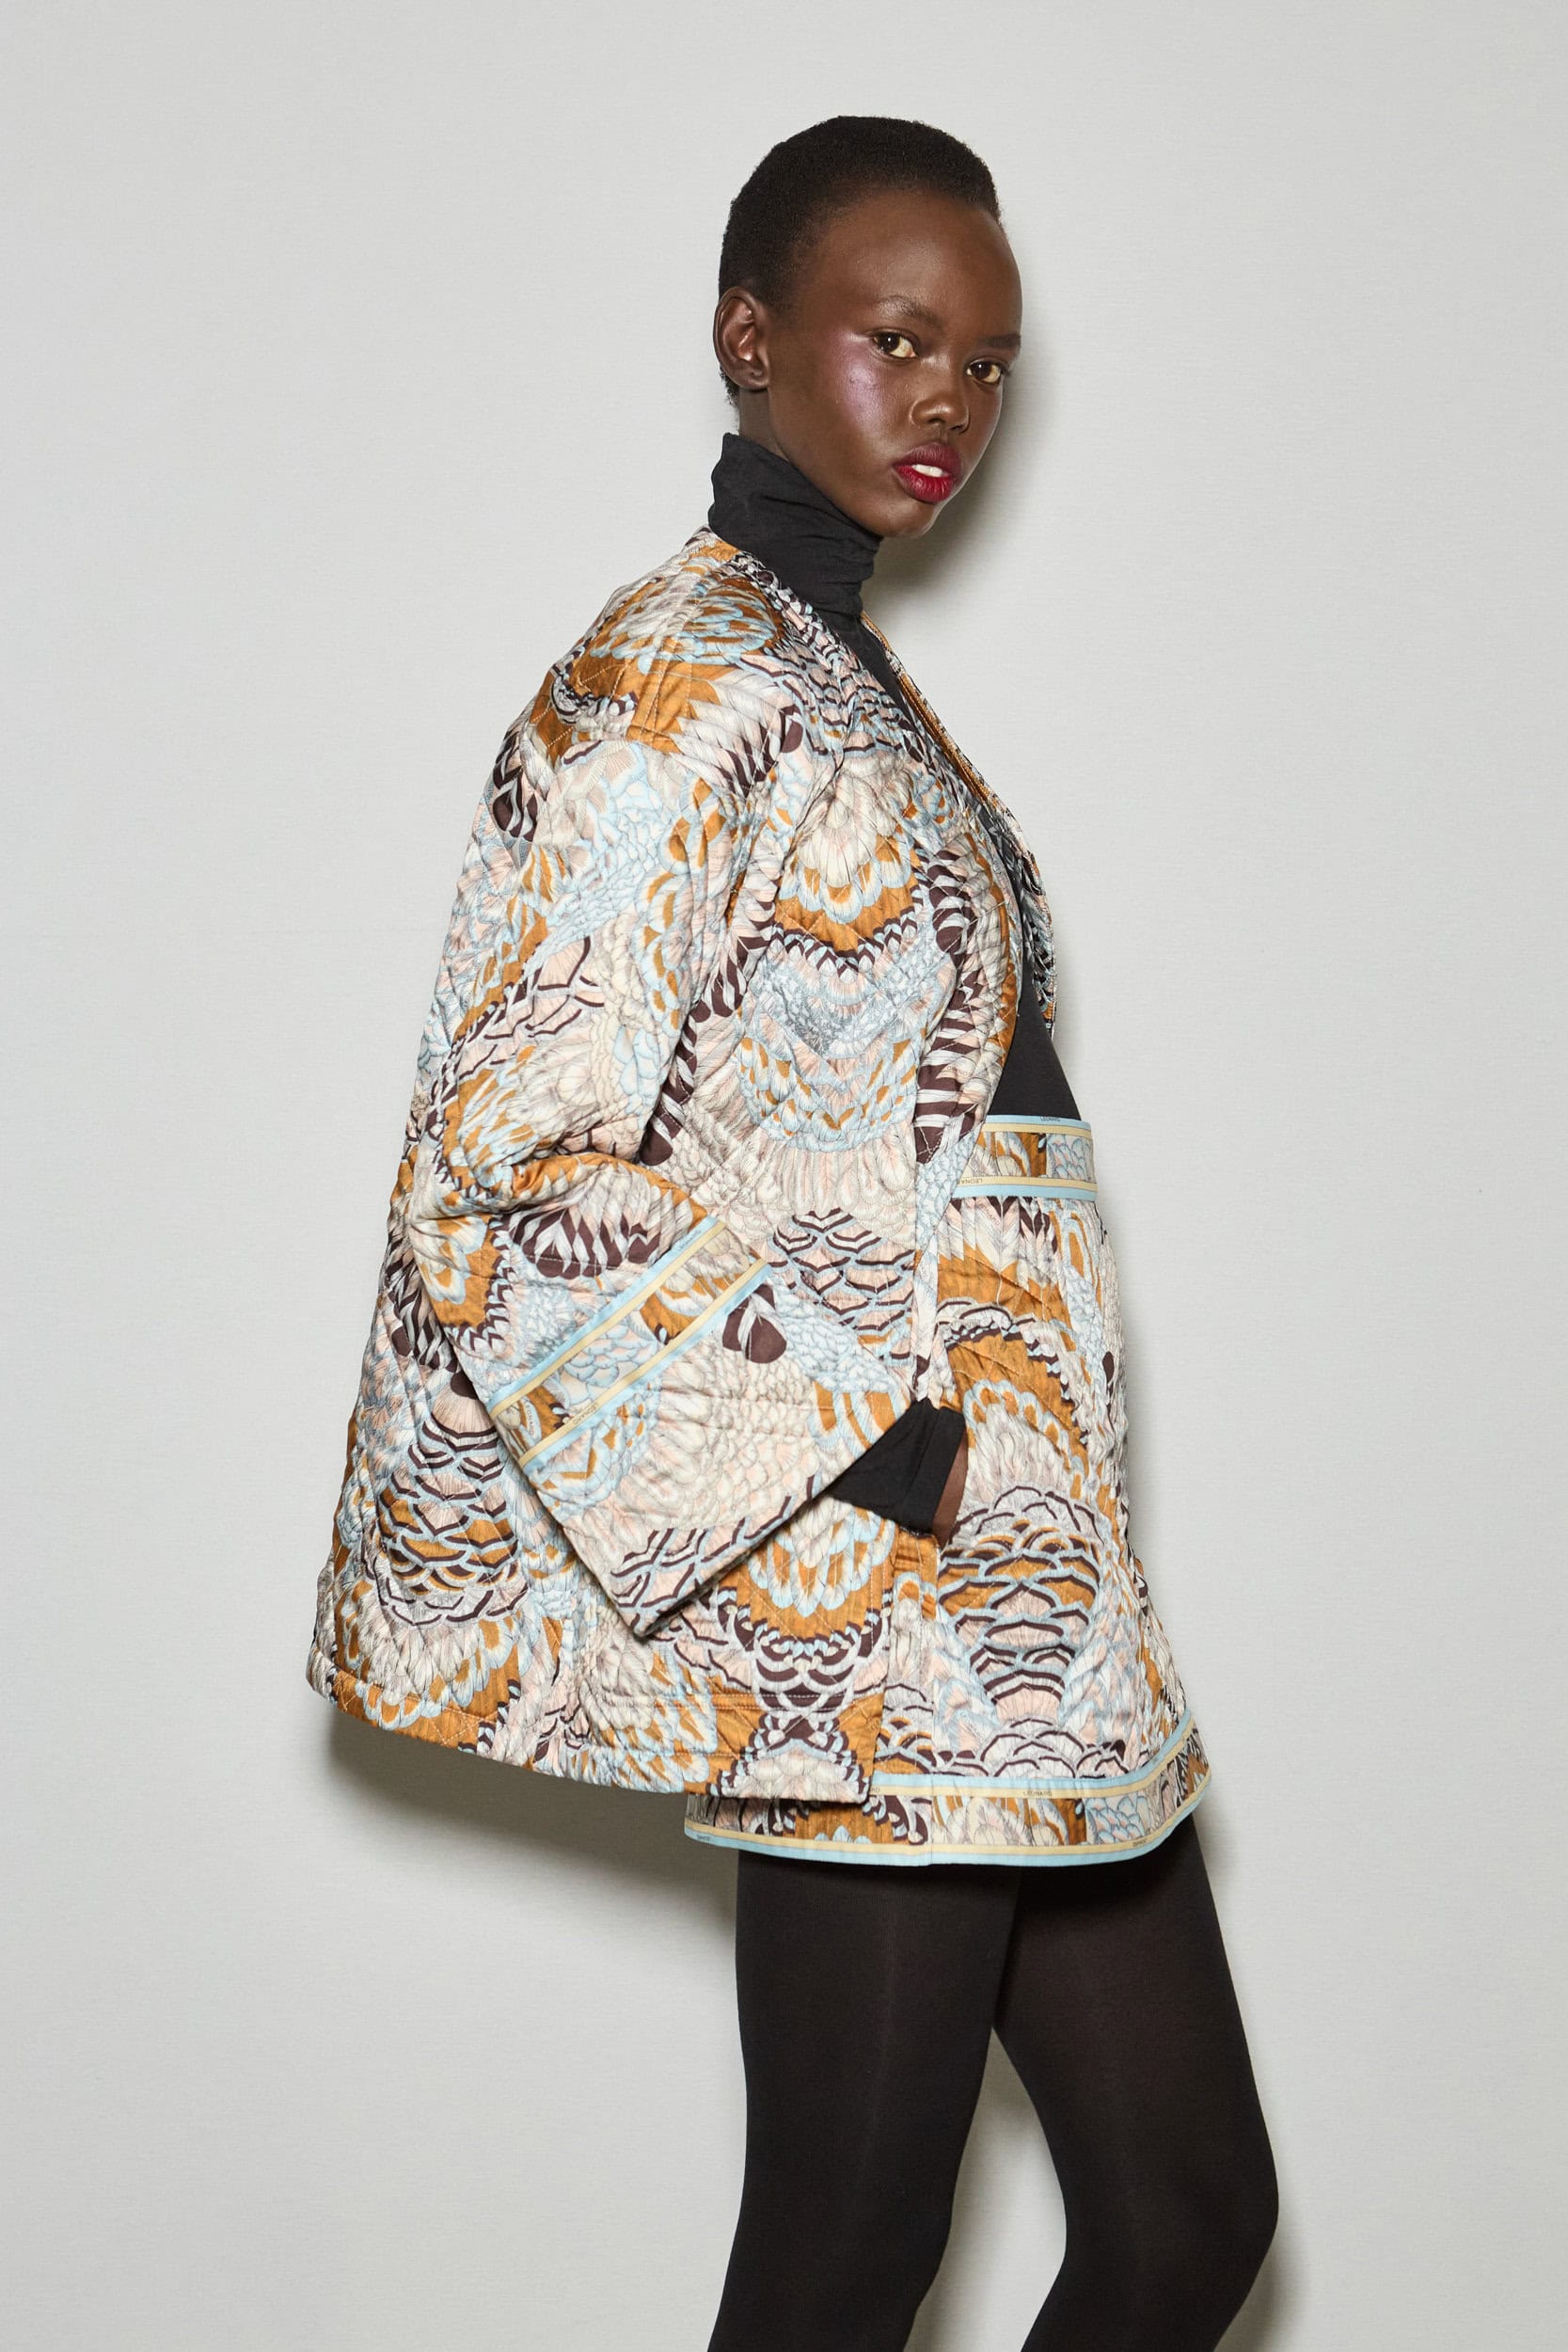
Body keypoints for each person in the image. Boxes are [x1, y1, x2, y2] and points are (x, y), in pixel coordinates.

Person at [309, 115, 1276, 2352]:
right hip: (871, 1585)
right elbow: (508, 1161)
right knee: (849, 2251)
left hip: (1019, 1561)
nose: (950, 399)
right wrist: (868, 1456)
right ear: (751, 337)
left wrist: (991, 1476)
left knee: (1186, 2212)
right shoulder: (672, 678)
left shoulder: (833, 666)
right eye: (897, 338)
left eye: (990, 363)